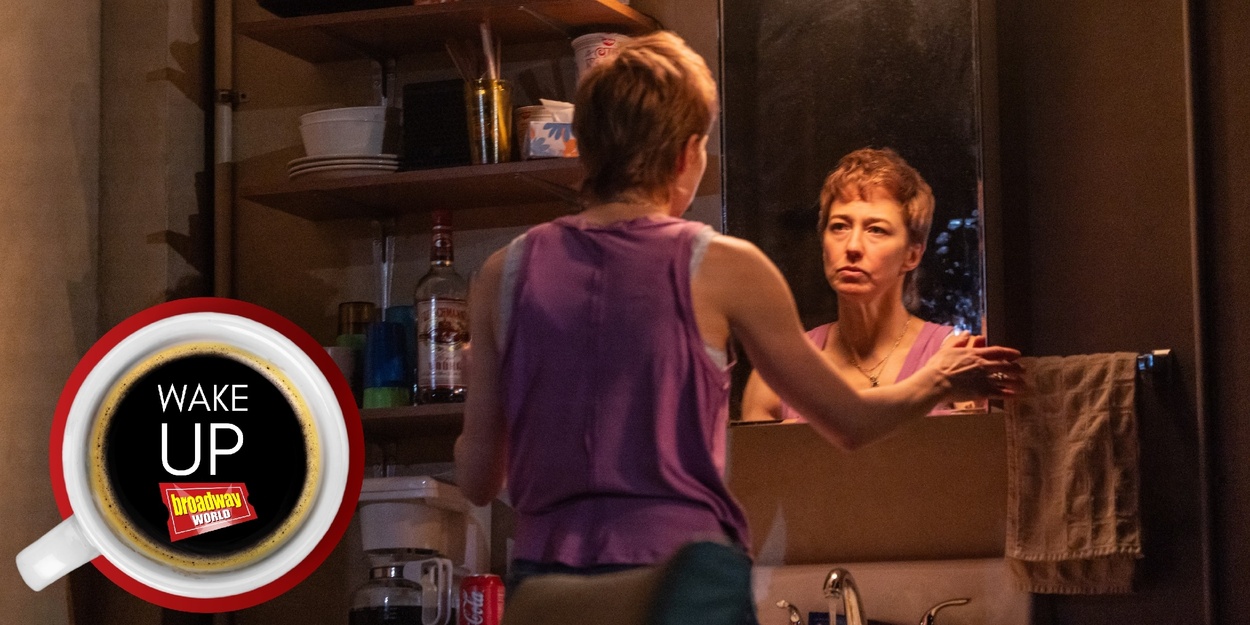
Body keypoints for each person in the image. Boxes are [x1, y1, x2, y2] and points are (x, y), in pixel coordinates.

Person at [453, 32, 1021, 591]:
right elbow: (849, 422)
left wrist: (487, 382)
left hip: (547, 585)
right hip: (680, 585)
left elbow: (478, 482)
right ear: (686, 154)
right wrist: (942, 378)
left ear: (588, 143)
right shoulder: (724, 266)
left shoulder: (505, 272)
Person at [741, 147, 968, 422]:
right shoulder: (777, 374)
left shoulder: (954, 360)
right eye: (840, 226)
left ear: (912, 254)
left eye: (876, 230)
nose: (852, 246)